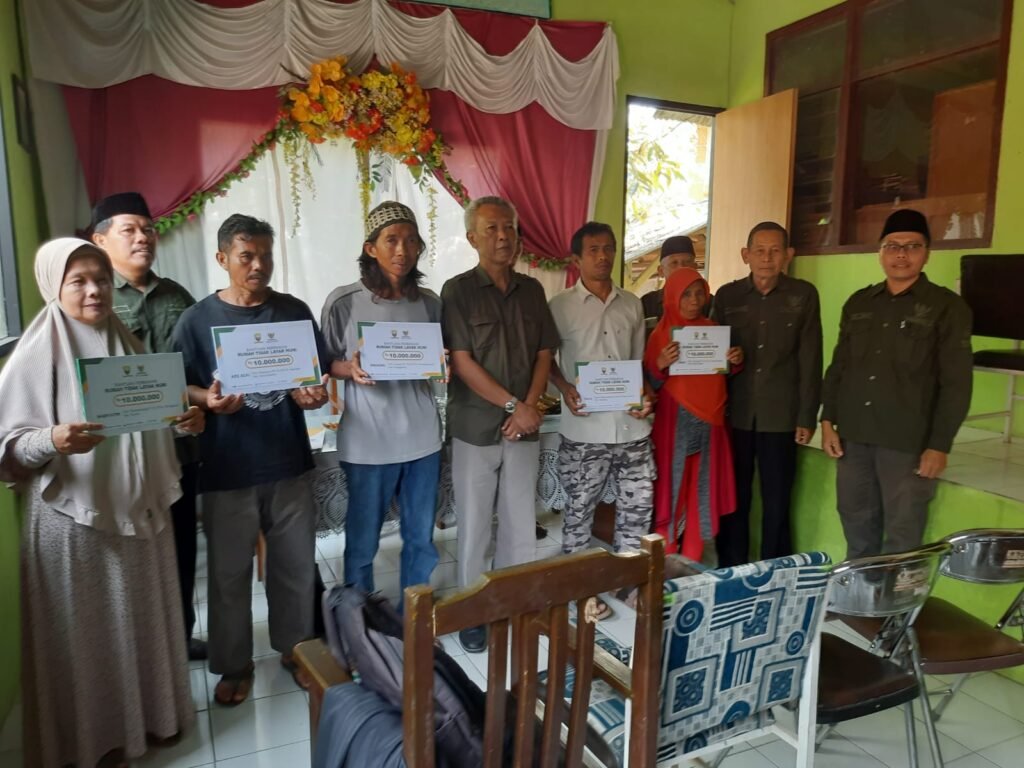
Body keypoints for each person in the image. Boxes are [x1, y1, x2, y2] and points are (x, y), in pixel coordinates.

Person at [1, 239, 204, 768]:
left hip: (142, 516)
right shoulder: (35, 353)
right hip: (74, 521)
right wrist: (51, 439)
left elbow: (155, 418)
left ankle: (152, 721)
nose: (94, 291)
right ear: (54, 286)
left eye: (101, 279)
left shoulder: (128, 344)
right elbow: (9, 447)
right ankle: (91, 744)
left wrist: (186, 421)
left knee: (138, 625)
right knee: (88, 638)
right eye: (79, 281)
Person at [172, 213, 329, 705]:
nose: (258, 265)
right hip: (227, 468)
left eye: (265, 255)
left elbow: (315, 380)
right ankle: (234, 664)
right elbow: (176, 385)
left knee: (295, 567)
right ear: (223, 259)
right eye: (246, 256)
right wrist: (206, 399)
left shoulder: (294, 311)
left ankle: (296, 651)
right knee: (228, 575)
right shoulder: (196, 320)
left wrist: (314, 396)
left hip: (288, 462)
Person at [90, 191, 207, 660]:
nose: (143, 238)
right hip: (121, 458)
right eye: (129, 230)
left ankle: (179, 639)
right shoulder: (92, 298)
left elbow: (199, 372)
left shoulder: (177, 296)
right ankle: (136, 653)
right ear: (100, 241)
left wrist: (201, 404)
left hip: (179, 451)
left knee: (181, 550)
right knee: (129, 556)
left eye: (148, 229)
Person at [441, 196, 559, 652]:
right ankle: (473, 611)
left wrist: (528, 407)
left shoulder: (532, 291)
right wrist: (514, 406)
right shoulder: (457, 291)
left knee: (519, 519)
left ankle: (514, 603)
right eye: (492, 228)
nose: (503, 236)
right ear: (472, 238)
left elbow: (544, 353)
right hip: (476, 426)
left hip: (524, 424)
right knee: (474, 525)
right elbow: (462, 361)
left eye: (509, 227)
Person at [821, 209, 973, 559]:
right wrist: (828, 420)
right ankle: (861, 593)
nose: (901, 254)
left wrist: (939, 445)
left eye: (912, 246)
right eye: (892, 246)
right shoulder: (859, 303)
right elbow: (839, 366)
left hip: (907, 442)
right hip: (854, 437)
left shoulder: (947, 307)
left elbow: (957, 383)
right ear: (880, 252)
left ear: (927, 253)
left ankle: (896, 598)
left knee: (904, 535)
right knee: (856, 523)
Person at [321, 201, 442, 597]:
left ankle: (414, 618)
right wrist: (349, 368)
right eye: (391, 240)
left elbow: (440, 359)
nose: (402, 250)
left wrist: (442, 365)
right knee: (362, 544)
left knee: (420, 540)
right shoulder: (343, 302)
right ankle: (360, 620)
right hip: (367, 443)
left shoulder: (430, 303)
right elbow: (324, 362)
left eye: (411, 240)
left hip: (423, 440)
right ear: (370, 248)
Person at [548, 222, 654, 619]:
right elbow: (546, 361)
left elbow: (637, 363)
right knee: (579, 510)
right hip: (585, 429)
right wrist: (564, 388)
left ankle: (628, 585)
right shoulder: (559, 306)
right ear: (576, 259)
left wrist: (645, 395)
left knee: (637, 511)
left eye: (609, 248)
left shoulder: (632, 304)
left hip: (631, 427)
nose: (603, 256)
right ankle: (580, 592)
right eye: (593, 249)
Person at [710, 222, 822, 566]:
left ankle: (776, 571)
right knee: (734, 499)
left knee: (777, 500)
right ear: (746, 255)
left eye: (775, 251)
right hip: (735, 415)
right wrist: (726, 362)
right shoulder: (727, 297)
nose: (767, 258)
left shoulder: (803, 295)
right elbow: (710, 353)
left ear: (788, 255)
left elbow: (811, 358)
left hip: (781, 416)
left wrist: (807, 416)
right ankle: (732, 568)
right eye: (759, 250)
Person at [644, 267, 742, 560]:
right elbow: (649, 385)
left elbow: (722, 374)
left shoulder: (713, 331)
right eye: (686, 294)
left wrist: (735, 360)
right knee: (671, 494)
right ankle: (665, 563)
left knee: (702, 494)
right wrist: (660, 364)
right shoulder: (660, 335)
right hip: (675, 423)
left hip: (711, 424)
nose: (694, 300)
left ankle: (691, 563)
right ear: (672, 297)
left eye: (700, 293)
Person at [641, 235, 698, 320]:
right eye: (674, 263)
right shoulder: (647, 303)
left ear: (695, 268)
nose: (681, 267)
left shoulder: (710, 303)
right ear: (661, 271)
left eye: (687, 262)